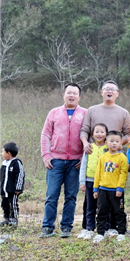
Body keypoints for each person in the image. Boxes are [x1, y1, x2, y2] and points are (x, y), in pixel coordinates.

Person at [79, 80, 130, 233]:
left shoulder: (123, 112)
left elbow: (128, 133)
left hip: (114, 158)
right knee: (92, 198)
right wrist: (85, 143)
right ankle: (88, 227)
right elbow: (84, 130)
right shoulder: (92, 110)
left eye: (112, 89)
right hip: (94, 155)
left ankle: (113, 227)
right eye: (106, 89)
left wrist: (115, 144)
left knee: (114, 195)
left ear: (117, 94)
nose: (109, 91)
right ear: (102, 92)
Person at [40, 83, 87, 238]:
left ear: (79, 97)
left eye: (75, 93)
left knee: (71, 197)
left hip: (75, 163)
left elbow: (89, 137)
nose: (71, 95)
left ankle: (66, 227)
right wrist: (46, 155)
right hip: (55, 161)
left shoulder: (85, 114)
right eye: (69, 93)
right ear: (63, 95)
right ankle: (47, 227)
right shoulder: (54, 113)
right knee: (51, 195)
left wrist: (83, 157)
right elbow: (46, 135)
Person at [92, 131, 129, 243]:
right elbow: (98, 173)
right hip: (103, 189)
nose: (114, 143)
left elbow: (123, 174)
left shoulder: (122, 157)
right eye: (111, 141)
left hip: (116, 190)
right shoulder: (103, 157)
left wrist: (120, 188)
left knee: (119, 211)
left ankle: (121, 232)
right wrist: (95, 188)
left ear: (120, 144)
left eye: (117, 141)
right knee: (101, 211)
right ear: (106, 143)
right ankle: (100, 233)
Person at [77, 123, 108, 240]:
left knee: (104, 206)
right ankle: (89, 228)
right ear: (92, 134)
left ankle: (104, 228)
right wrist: (82, 182)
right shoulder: (89, 148)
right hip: (90, 181)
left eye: (102, 132)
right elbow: (83, 165)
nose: (99, 134)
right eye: (97, 132)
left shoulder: (108, 149)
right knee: (90, 206)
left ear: (106, 134)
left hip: (104, 182)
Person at [1, 142, 25, 227]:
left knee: (13, 205)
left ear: (8, 153)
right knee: (4, 205)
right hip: (4, 190)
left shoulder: (16, 163)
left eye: (3, 152)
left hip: (12, 190)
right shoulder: (4, 164)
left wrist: (18, 188)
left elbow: (20, 175)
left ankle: (14, 219)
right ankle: (7, 219)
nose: (2, 154)